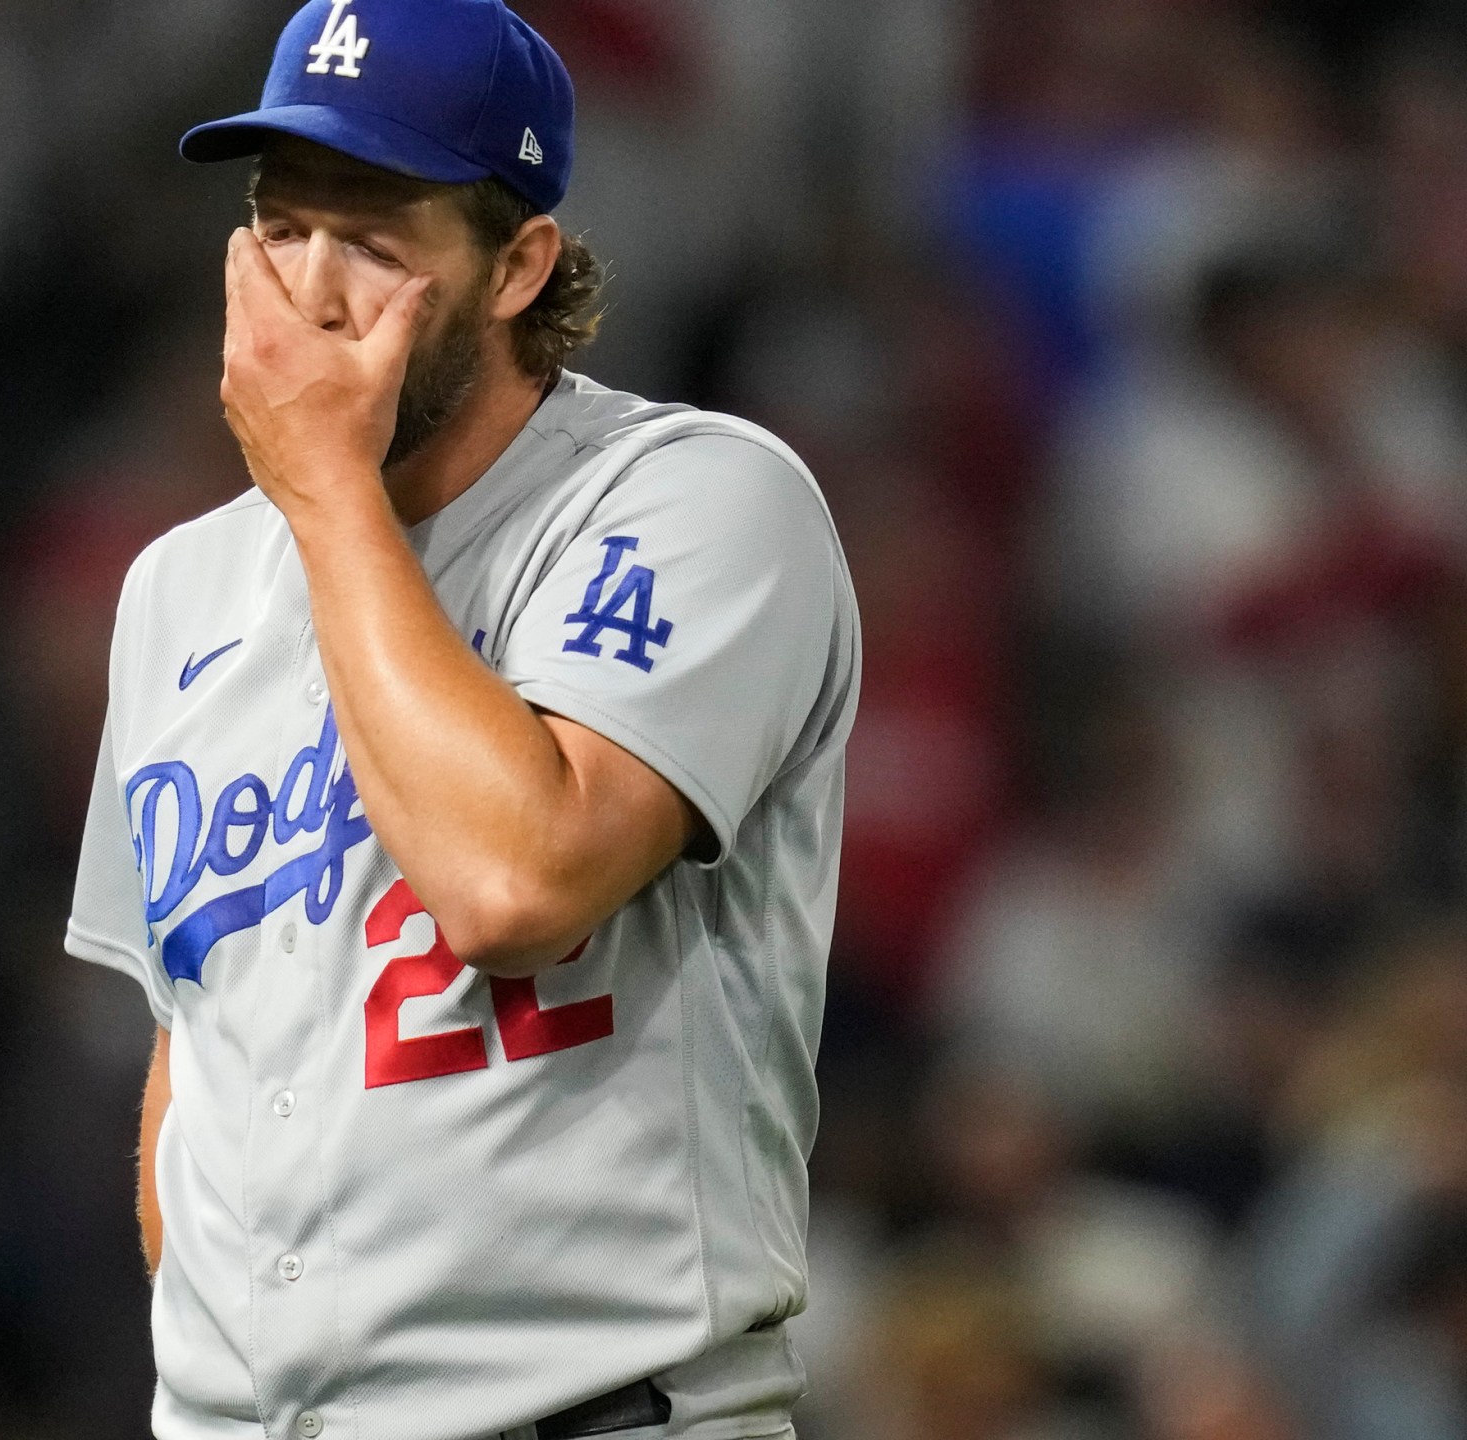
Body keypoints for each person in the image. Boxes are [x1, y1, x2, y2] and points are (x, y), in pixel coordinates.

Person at [63, 3, 860, 1437]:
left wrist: (321, 490)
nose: (308, 290)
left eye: (372, 239)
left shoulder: (695, 502)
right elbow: (201, 1035)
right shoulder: (177, 590)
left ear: (519, 265)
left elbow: (519, 883)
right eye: (280, 226)